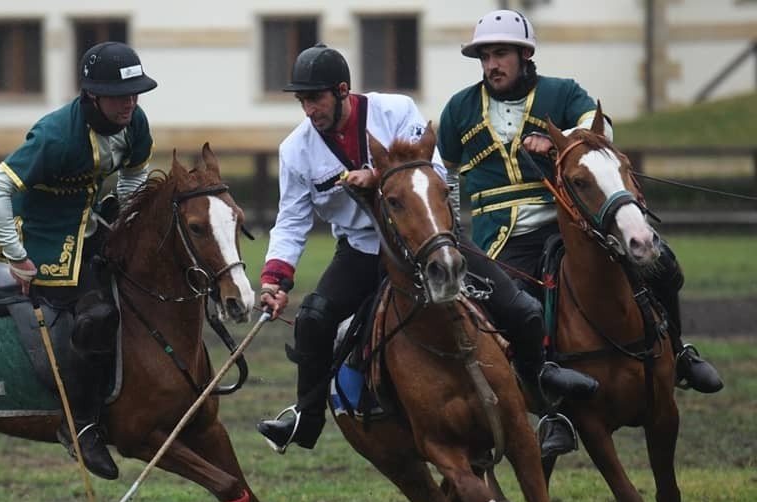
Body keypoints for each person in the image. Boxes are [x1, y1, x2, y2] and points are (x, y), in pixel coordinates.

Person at [256, 44, 598, 455]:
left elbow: (433, 172)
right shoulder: (294, 150)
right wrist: (275, 279)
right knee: (313, 319)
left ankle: (544, 397)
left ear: (343, 90)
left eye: (315, 99)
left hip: (430, 239)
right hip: (364, 251)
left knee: (522, 309)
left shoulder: (395, 111)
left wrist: (379, 177)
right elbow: (292, 221)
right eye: (302, 101)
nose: (309, 110)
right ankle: (307, 418)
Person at [437, 10, 722, 449]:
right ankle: (553, 410)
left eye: (501, 54)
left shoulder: (562, 92)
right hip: (502, 237)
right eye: (485, 56)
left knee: (661, 265)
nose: (492, 64)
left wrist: (560, 139)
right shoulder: (459, 109)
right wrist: (454, 231)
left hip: (570, 223)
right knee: (518, 307)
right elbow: (447, 175)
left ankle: (680, 354)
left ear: (524, 55)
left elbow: (602, 130)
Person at [0, 41, 158, 480]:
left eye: (136, 94)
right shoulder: (56, 135)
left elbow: (136, 170)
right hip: (40, 236)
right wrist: (17, 259)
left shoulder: (134, 122)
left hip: (90, 226)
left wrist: (125, 207)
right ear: (92, 95)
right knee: (95, 315)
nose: (130, 104)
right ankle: (81, 426)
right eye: (121, 96)